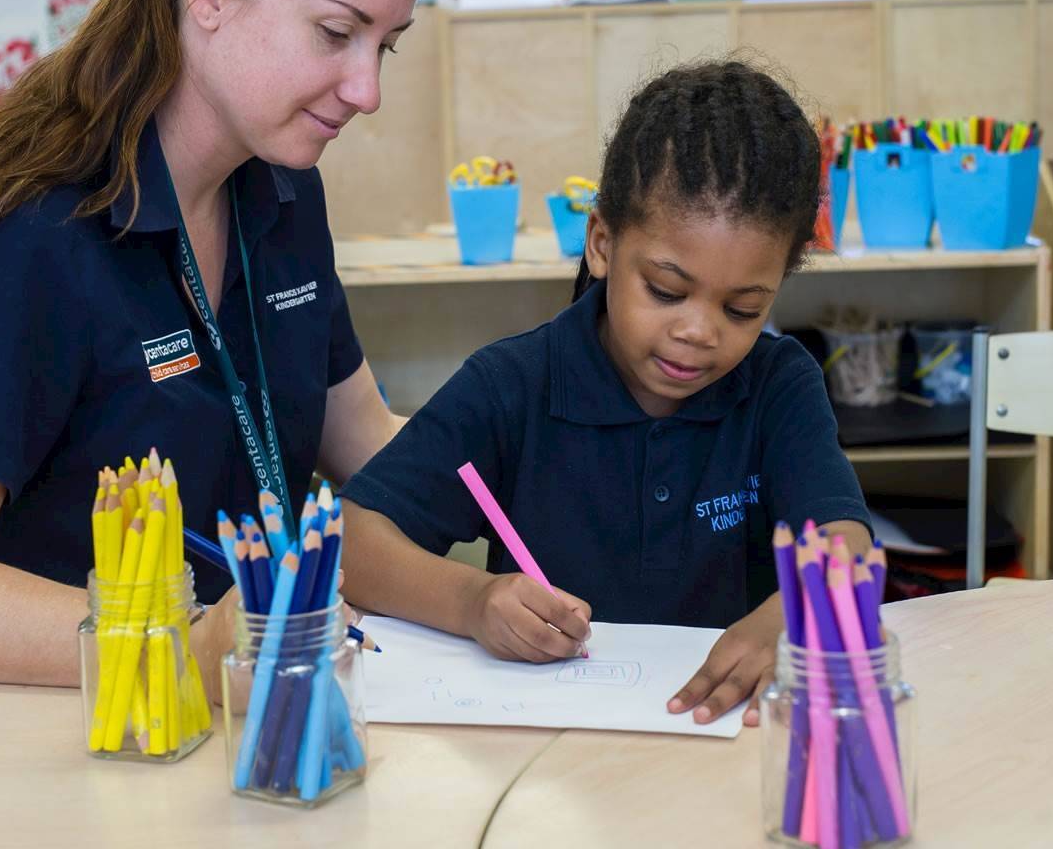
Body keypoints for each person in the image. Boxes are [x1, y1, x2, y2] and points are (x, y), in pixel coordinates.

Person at [0, 0, 428, 696]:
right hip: (66, 719)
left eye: (387, 46)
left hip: (244, 706)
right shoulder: (12, 224)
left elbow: (363, 436)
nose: (367, 90)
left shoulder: (280, 184)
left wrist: (541, 478)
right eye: (337, 34)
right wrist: (182, 647)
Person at [339, 61, 873, 726]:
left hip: (726, 739)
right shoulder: (511, 386)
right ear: (601, 244)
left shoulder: (778, 384)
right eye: (666, 291)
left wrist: (792, 617)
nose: (698, 332)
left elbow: (845, 541)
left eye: (742, 310)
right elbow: (354, 540)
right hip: (545, 750)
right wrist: (472, 601)